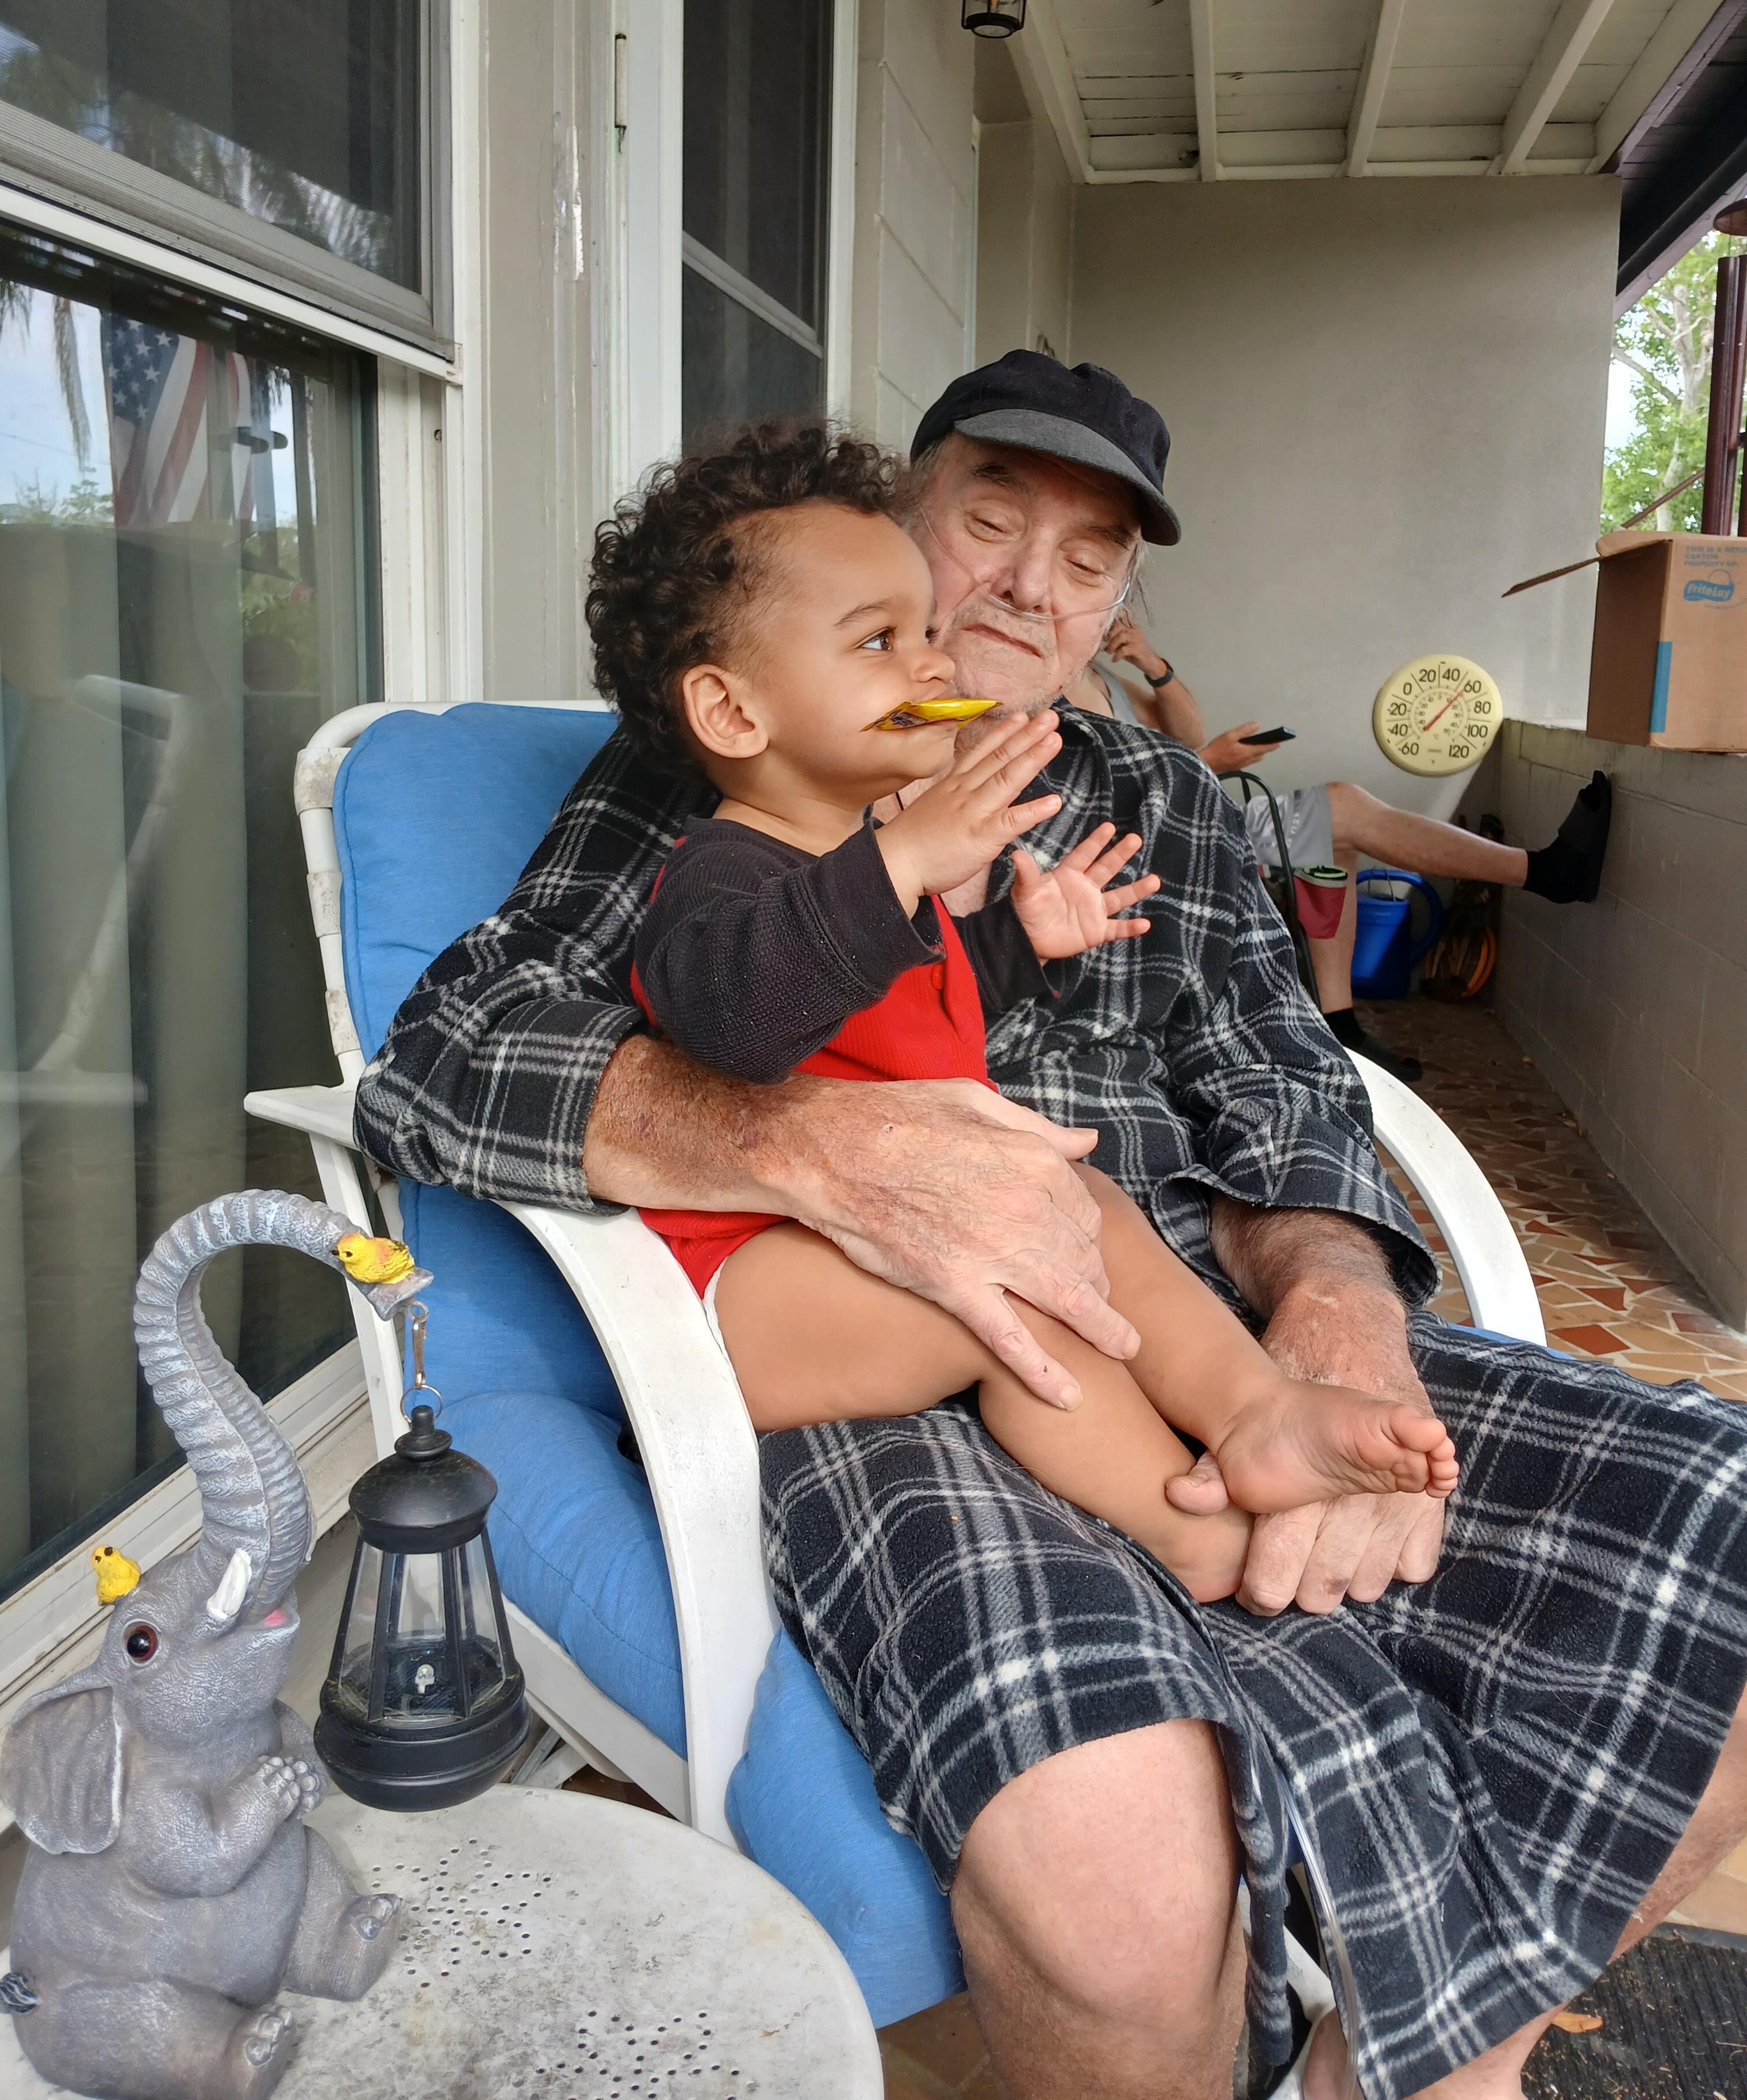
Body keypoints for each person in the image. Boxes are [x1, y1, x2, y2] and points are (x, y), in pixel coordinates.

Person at [356, 356, 1747, 2100]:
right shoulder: (748, 758)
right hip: (882, 1350)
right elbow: (447, 1060)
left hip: (1159, 1298)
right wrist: (803, 1145)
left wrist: (1327, 1327)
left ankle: (1421, 2045)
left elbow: (1293, 1097)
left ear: (1119, 605)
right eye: (988, 522)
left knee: (1723, 1514)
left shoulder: (1163, 801)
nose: (1027, 584)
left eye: (1088, 559)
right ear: (896, 535)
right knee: (1119, 1881)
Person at [584, 461, 1457, 1600]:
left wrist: (1015, 949)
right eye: (878, 642)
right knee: (1020, 1278)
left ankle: (1258, 1411)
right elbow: (737, 1024)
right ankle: (1190, 1534)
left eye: (919, 634)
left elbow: (902, 1028)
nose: (933, 663)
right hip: (745, 1286)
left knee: (1082, 1205)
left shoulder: (873, 870)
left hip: (891, 1245)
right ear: (734, 711)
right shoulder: (721, 875)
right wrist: (901, 861)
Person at [1070, 621, 1612, 1082]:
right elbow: (1114, 803)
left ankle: (1338, 1022)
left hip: (1191, 817)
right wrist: (1213, 761)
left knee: (1331, 829)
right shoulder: (1063, 692)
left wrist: (1151, 663)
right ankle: (1546, 872)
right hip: (1144, 844)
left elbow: (1186, 733)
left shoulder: (1101, 679)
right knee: (1339, 811)